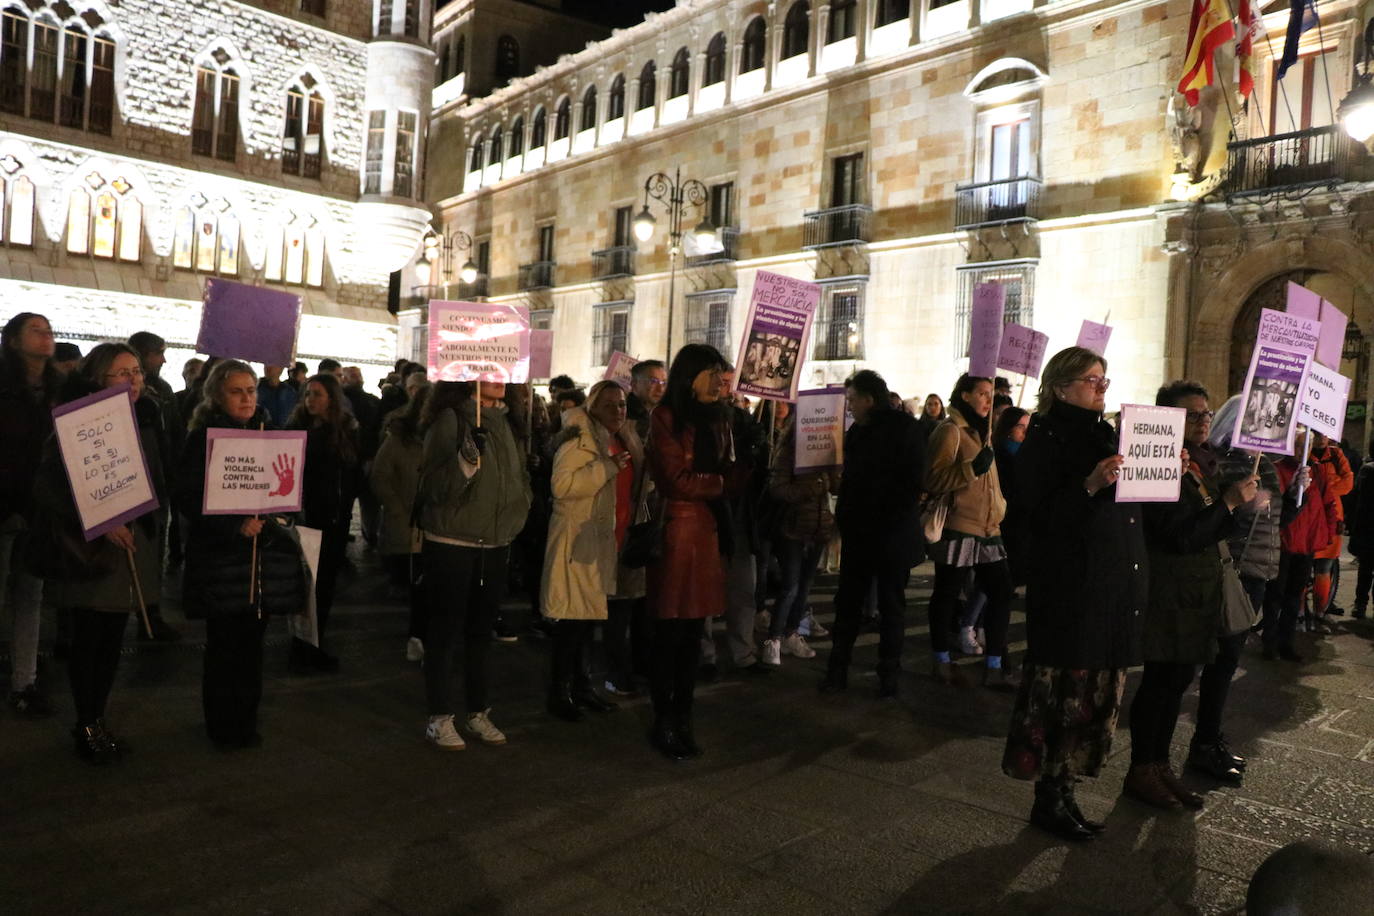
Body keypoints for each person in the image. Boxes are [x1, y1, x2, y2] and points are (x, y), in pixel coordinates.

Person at [1001, 347, 1147, 841]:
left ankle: (1066, 791)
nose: (1101, 388)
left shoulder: (1103, 434)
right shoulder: (1043, 440)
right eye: (1091, 380)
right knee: (1064, 695)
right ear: (1061, 386)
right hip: (1069, 591)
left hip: (1106, 584)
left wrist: (1159, 468)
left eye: (1104, 380)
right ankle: (1049, 796)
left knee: (1090, 696)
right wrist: (1086, 486)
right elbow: (1034, 520)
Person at [1125, 381, 1257, 811]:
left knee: (1178, 679)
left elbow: (1212, 527)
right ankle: (1143, 769)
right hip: (1170, 589)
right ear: (1169, 420)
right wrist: (1229, 505)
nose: (1203, 421)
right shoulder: (1158, 463)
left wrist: (1234, 505)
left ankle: (1159, 766)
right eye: (1192, 415)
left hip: (1195, 589)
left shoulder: (1201, 463)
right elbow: (1178, 535)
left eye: (1206, 413)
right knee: (1162, 681)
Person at [33, 344, 168, 762]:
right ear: (97, 379)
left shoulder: (143, 418)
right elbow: (52, 487)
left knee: (110, 641)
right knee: (91, 640)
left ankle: (96, 717)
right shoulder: (77, 423)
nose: (134, 381)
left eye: (137, 372)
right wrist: (101, 519)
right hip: (93, 551)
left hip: (130, 545)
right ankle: (87, 722)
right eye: (121, 373)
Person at [178, 360, 306, 749]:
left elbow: (285, 493)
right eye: (237, 391)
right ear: (218, 394)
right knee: (224, 647)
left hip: (260, 562)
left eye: (251, 390)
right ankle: (221, 724)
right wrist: (232, 525)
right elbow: (187, 495)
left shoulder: (272, 434)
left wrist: (278, 513)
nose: (247, 398)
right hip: (221, 563)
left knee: (253, 646)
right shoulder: (202, 439)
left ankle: (245, 720)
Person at [416, 380, 532, 750]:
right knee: (445, 633)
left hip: (494, 544)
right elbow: (432, 488)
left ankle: (478, 711)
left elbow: (519, 480)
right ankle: (439, 717)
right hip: (452, 544)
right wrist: (465, 459)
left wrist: (520, 506)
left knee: (481, 634)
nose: (499, 376)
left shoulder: (509, 422)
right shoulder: (451, 419)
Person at [645, 344, 739, 760]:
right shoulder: (666, 418)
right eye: (713, 372)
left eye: (722, 373)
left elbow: (728, 467)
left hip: (707, 531)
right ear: (692, 376)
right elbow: (677, 480)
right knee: (670, 633)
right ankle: (663, 720)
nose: (720, 380)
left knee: (693, 634)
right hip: (678, 531)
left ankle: (683, 718)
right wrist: (722, 483)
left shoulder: (721, 419)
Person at [542, 381, 647, 720]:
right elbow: (562, 486)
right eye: (611, 405)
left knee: (587, 621)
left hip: (605, 540)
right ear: (593, 407)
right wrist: (606, 468)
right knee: (572, 624)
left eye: (623, 405)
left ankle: (582, 687)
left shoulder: (618, 439)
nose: (619, 411)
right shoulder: (581, 440)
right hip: (578, 541)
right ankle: (561, 693)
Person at [821, 369, 925, 698]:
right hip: (878, 532)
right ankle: (882, 675)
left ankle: (847, 670)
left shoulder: (892, 430)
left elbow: (910, 483)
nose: (848, 405)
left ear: (869, 399)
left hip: (877, 532)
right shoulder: (863, 432)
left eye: (852, 399)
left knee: (862, 603)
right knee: (883, 605)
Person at [1198, 394, 1285, 783]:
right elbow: (1223, 517)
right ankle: (1204, 742)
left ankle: (1210, 738)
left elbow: (1279, 521)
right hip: (1239, 569)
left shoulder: (1262, 464)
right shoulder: (1231, 461)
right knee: (1222, 662)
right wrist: (1242, 503)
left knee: (1226, 663)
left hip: (1260, 569)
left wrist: (1294, 490)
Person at [924, 374, 1016, 690]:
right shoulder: (950, 431)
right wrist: (971, 468)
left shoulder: (984, 432)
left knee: (1002, 591)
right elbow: (933, 480)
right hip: (959, 526)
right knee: (947, 594)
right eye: (982, 394)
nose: (989, 400)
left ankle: (994, 665)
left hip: (989, 527)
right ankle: (941, 661)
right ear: (965, 396)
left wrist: (1000, 505)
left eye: (991, 394)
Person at [0, 312, 59, 718]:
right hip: (4, 507)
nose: (45, 336)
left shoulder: (60, 389)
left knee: (30, 595)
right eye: (35, 330)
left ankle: (25, 680)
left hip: (41, 509)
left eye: (48, 330)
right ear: (14, 340)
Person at [285, 373, 361, 672]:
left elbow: (353, 473)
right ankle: (302, 646)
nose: (310, 400)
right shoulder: (297, 429)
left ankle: (312, 644)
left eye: (317, 394)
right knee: (305, 586)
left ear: (332, 398)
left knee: (323, 586)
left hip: (333, 519)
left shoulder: (345, 430)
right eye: (307, 394)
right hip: (306, 516)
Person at [699, 364, 769, 677]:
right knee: (704, 590)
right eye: (721, 382)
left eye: (729, 383)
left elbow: (759, 456)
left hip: (741, 517)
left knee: (743, 589)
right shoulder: (699, 421)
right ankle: (705, 655)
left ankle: (743, 653)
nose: (725, 389)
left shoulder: (743, 421)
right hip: (711, 515)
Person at [760, 406, 839, 666]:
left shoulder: (828, 454)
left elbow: (836, 486)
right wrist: (808, 490)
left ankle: (792, 632)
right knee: (791, 585)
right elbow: (778, 488)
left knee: (805, 585)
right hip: (792, 527)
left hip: (817, 526)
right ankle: (774, 639)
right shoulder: (788, 452)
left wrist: (836, 466)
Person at [126, 330, 184, 639]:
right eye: (158, 352)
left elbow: (172, 435)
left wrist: (171, 474)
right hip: (125, 483)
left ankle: (151, 611)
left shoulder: (162, 391)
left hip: (157, 484)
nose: (163, 359)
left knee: (153, 552)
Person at [372, 384, 430, 662]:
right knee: (420, 585)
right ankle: (417, 636)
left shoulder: (448, 435)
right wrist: (398, 509)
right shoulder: (398, 439)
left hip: (441, 523)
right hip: (412, 525)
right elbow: (380, 477)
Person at [1264, 432, 1333, 663]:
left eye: (1308, 445)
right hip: (1284, 542)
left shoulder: (1317, 470)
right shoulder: (1276, 468)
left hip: (1306, 542)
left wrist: (1328, 531)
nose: (1303, 449)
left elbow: (1326, 502)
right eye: (1300, 444)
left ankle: (1287, 642)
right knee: (1276, 595)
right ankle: (1270, 642)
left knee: (1295, 596)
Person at [1308, 432, 1353, 630]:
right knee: (1302, 569)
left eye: (1324, 434)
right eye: (1317, 434)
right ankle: (1300, 614)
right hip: (1308, 520)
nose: (1321, 438)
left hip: (1333, 519)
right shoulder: (1302, 452)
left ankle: (1319, 612)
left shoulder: (1336, 455)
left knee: (1324, 569)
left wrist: (1324, 489)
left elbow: (1348, 482)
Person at [627, 359, 666, 441]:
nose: (661, 389)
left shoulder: (664, 413)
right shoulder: (623, 416)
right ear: (634, 384)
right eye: (653, 381)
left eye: (664, 383)